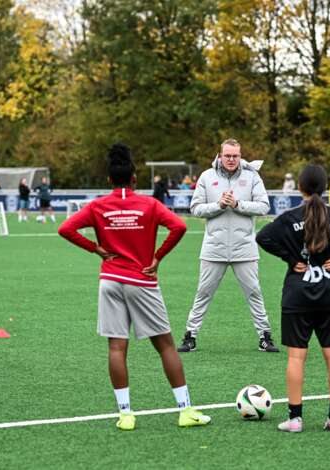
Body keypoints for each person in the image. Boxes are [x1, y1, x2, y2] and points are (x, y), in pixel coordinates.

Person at [59, 143, 211, 430]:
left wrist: (96, 249)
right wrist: (158, 257)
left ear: (109, 179)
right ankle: (185, 410)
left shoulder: (98, 206)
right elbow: (179, 226)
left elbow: (65, 229)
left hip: (110, 281)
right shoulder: (149, 204)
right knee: (165, 346)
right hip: (142, 280)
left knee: (117, 348)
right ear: (134, 178)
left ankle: (126, 415)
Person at [256, 164, 330, 432]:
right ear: (324, 187)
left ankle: (295, 419)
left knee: (297, 358)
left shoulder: (290, 217)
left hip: (297, 295)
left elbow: (263, 237)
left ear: (300, 187)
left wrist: (291, 258)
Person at [177, 138, 278, 353]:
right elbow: (195, 208)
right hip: (214, 248)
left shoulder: (252, 176)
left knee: (254, 293)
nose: (231, 159)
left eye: (235, 156)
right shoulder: (207, 176)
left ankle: (265, 336)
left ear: (240, 156)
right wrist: (219, 205)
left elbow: (264, 206)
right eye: (228, 155)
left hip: (245, 248)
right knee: (203, 293)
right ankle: (190, 335)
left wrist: (238, 204)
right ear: (220, 155)